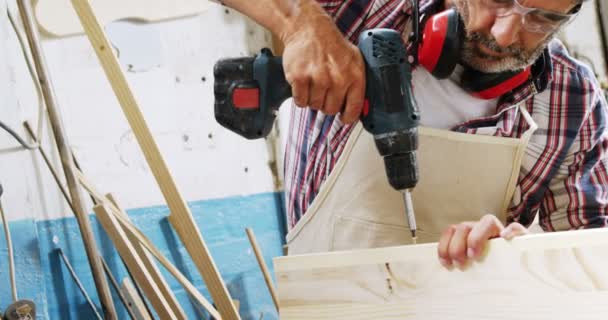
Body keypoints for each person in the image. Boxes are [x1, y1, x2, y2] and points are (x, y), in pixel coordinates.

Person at [218, 0, 608, 267]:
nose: (505, 35)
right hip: (327, 304)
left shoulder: (573, 100)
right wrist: (301, 23)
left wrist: (523, 254)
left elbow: (589, 267)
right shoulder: (368, 10)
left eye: (541, 19)